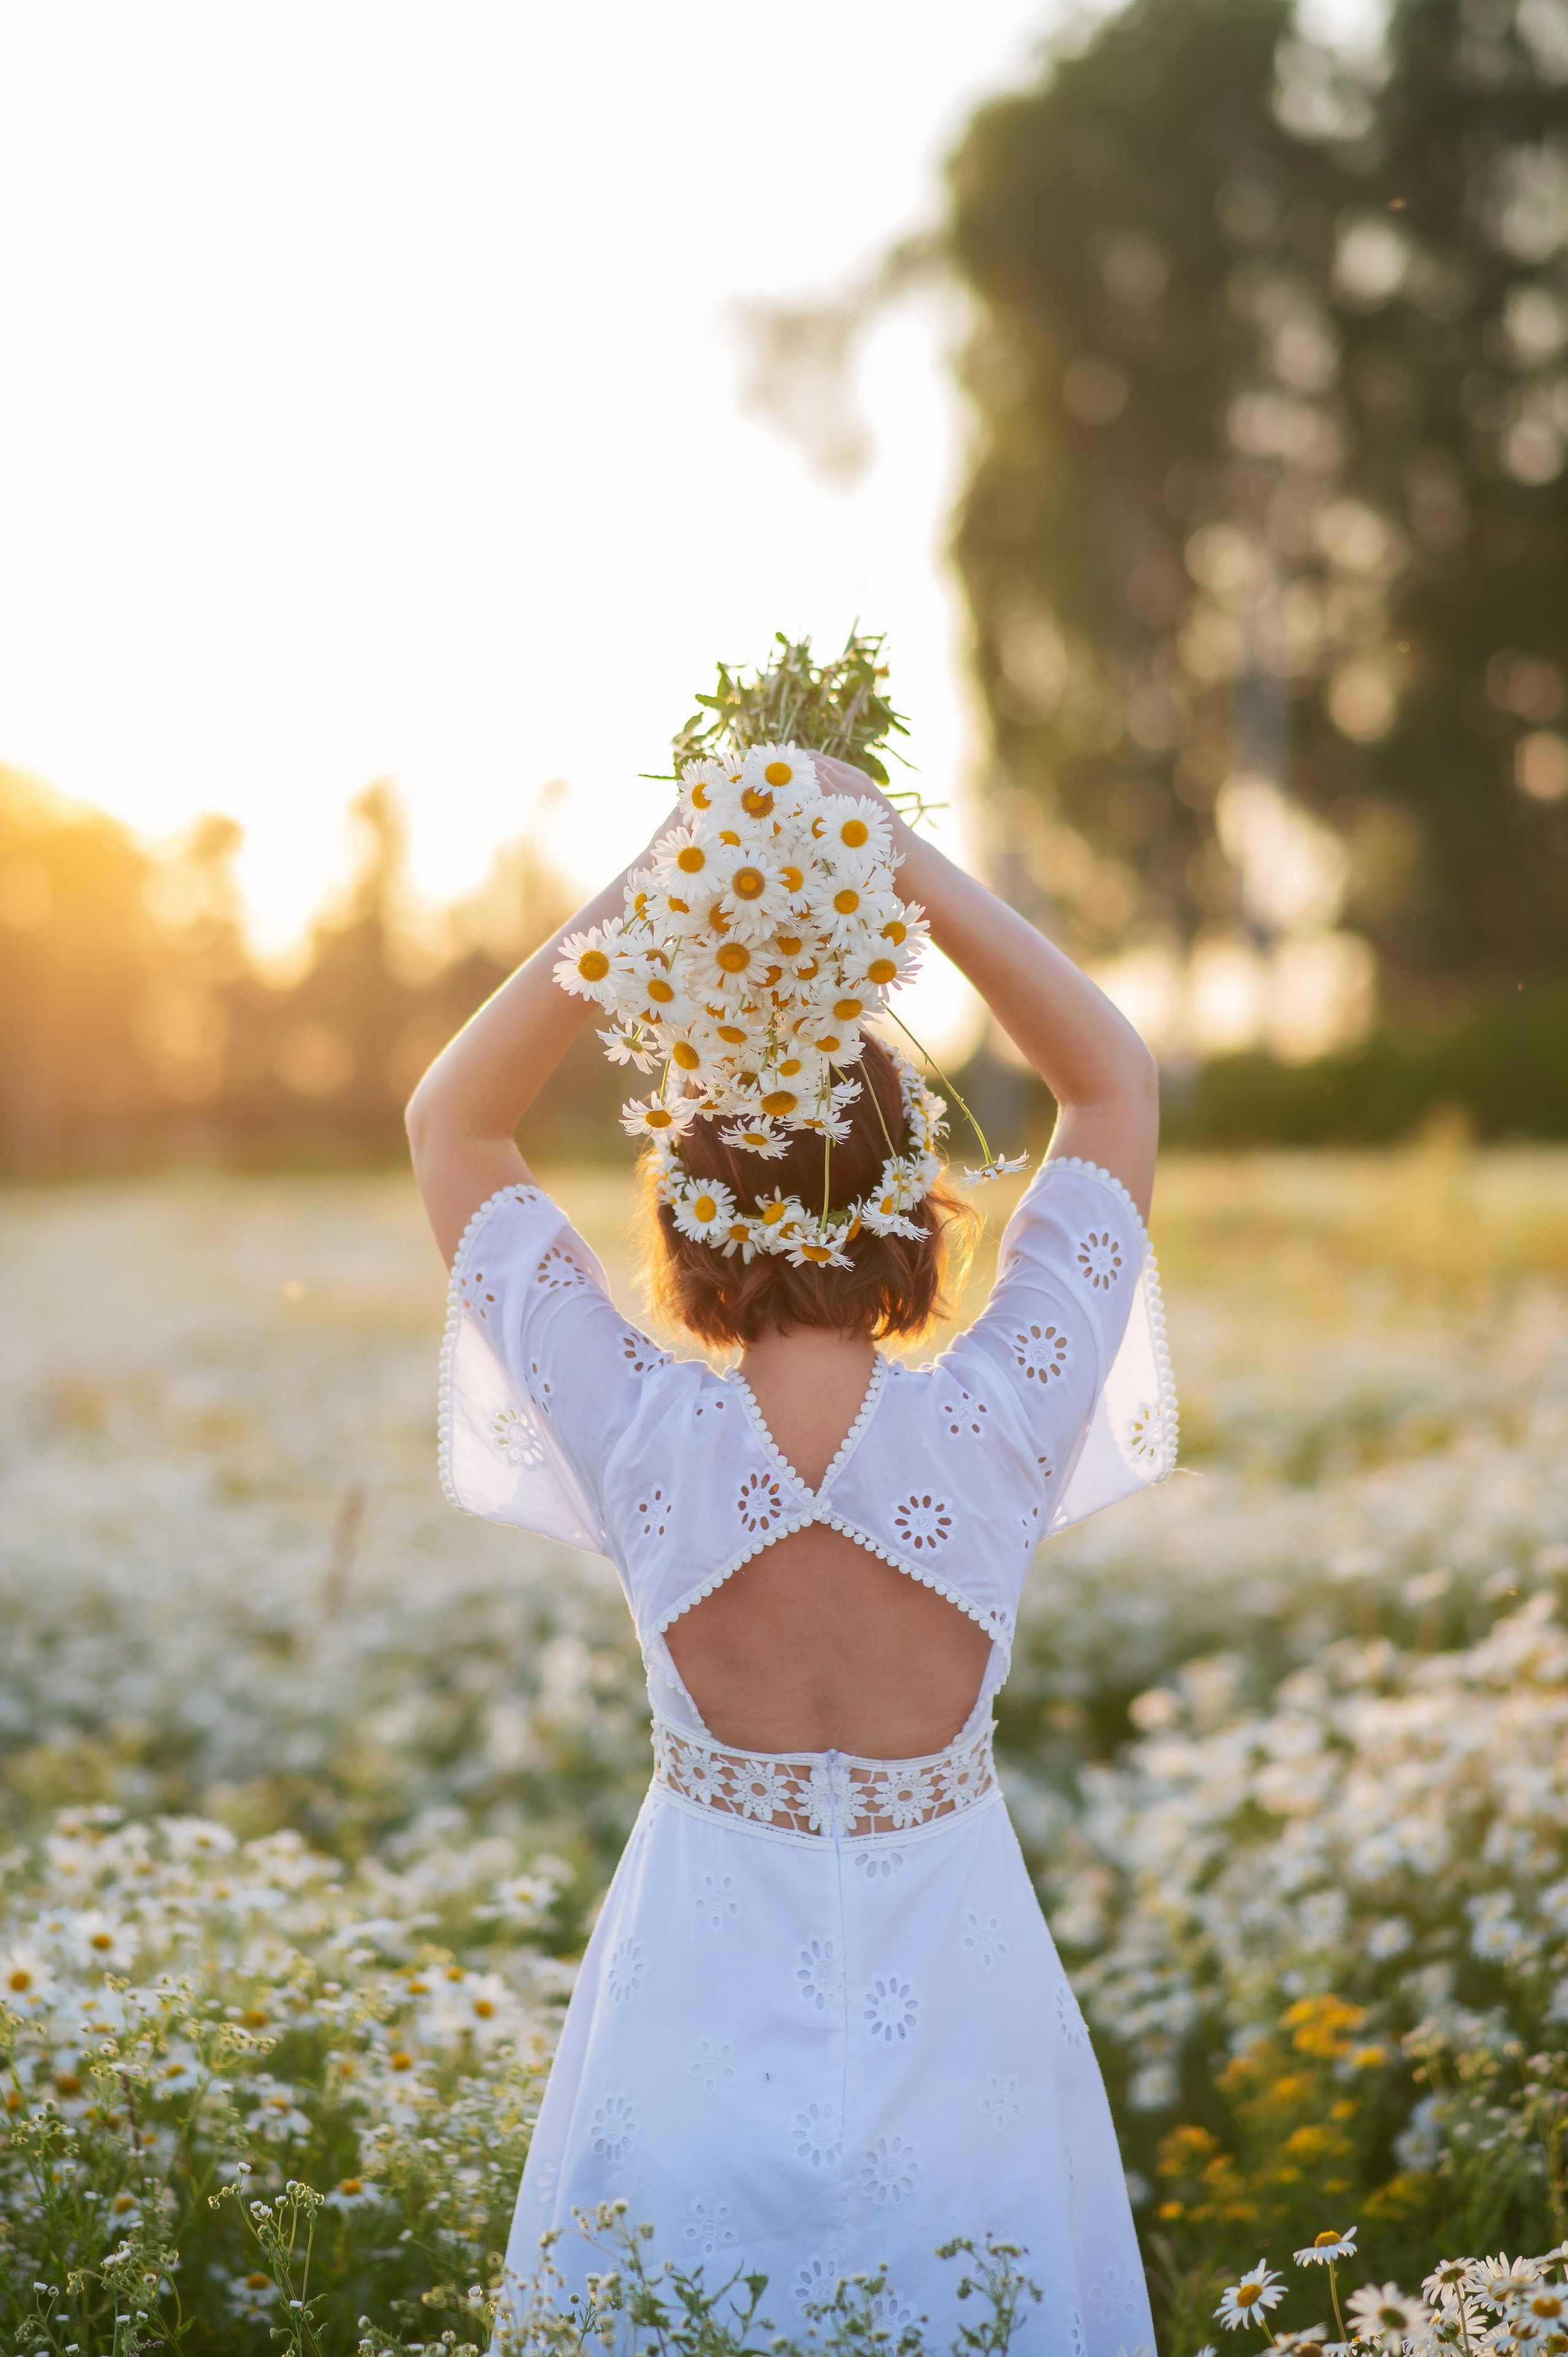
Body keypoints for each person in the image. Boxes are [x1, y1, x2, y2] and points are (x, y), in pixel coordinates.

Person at [405, 749, 1174, 2357]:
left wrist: (672, 877)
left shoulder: (632, 1428)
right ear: (920, 1209)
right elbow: (1112, 1084)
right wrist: (894, 860)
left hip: (687, 2039)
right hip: (971, 2051)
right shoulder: (1006, 1414)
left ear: (684, 1215)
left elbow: (452, 1119)